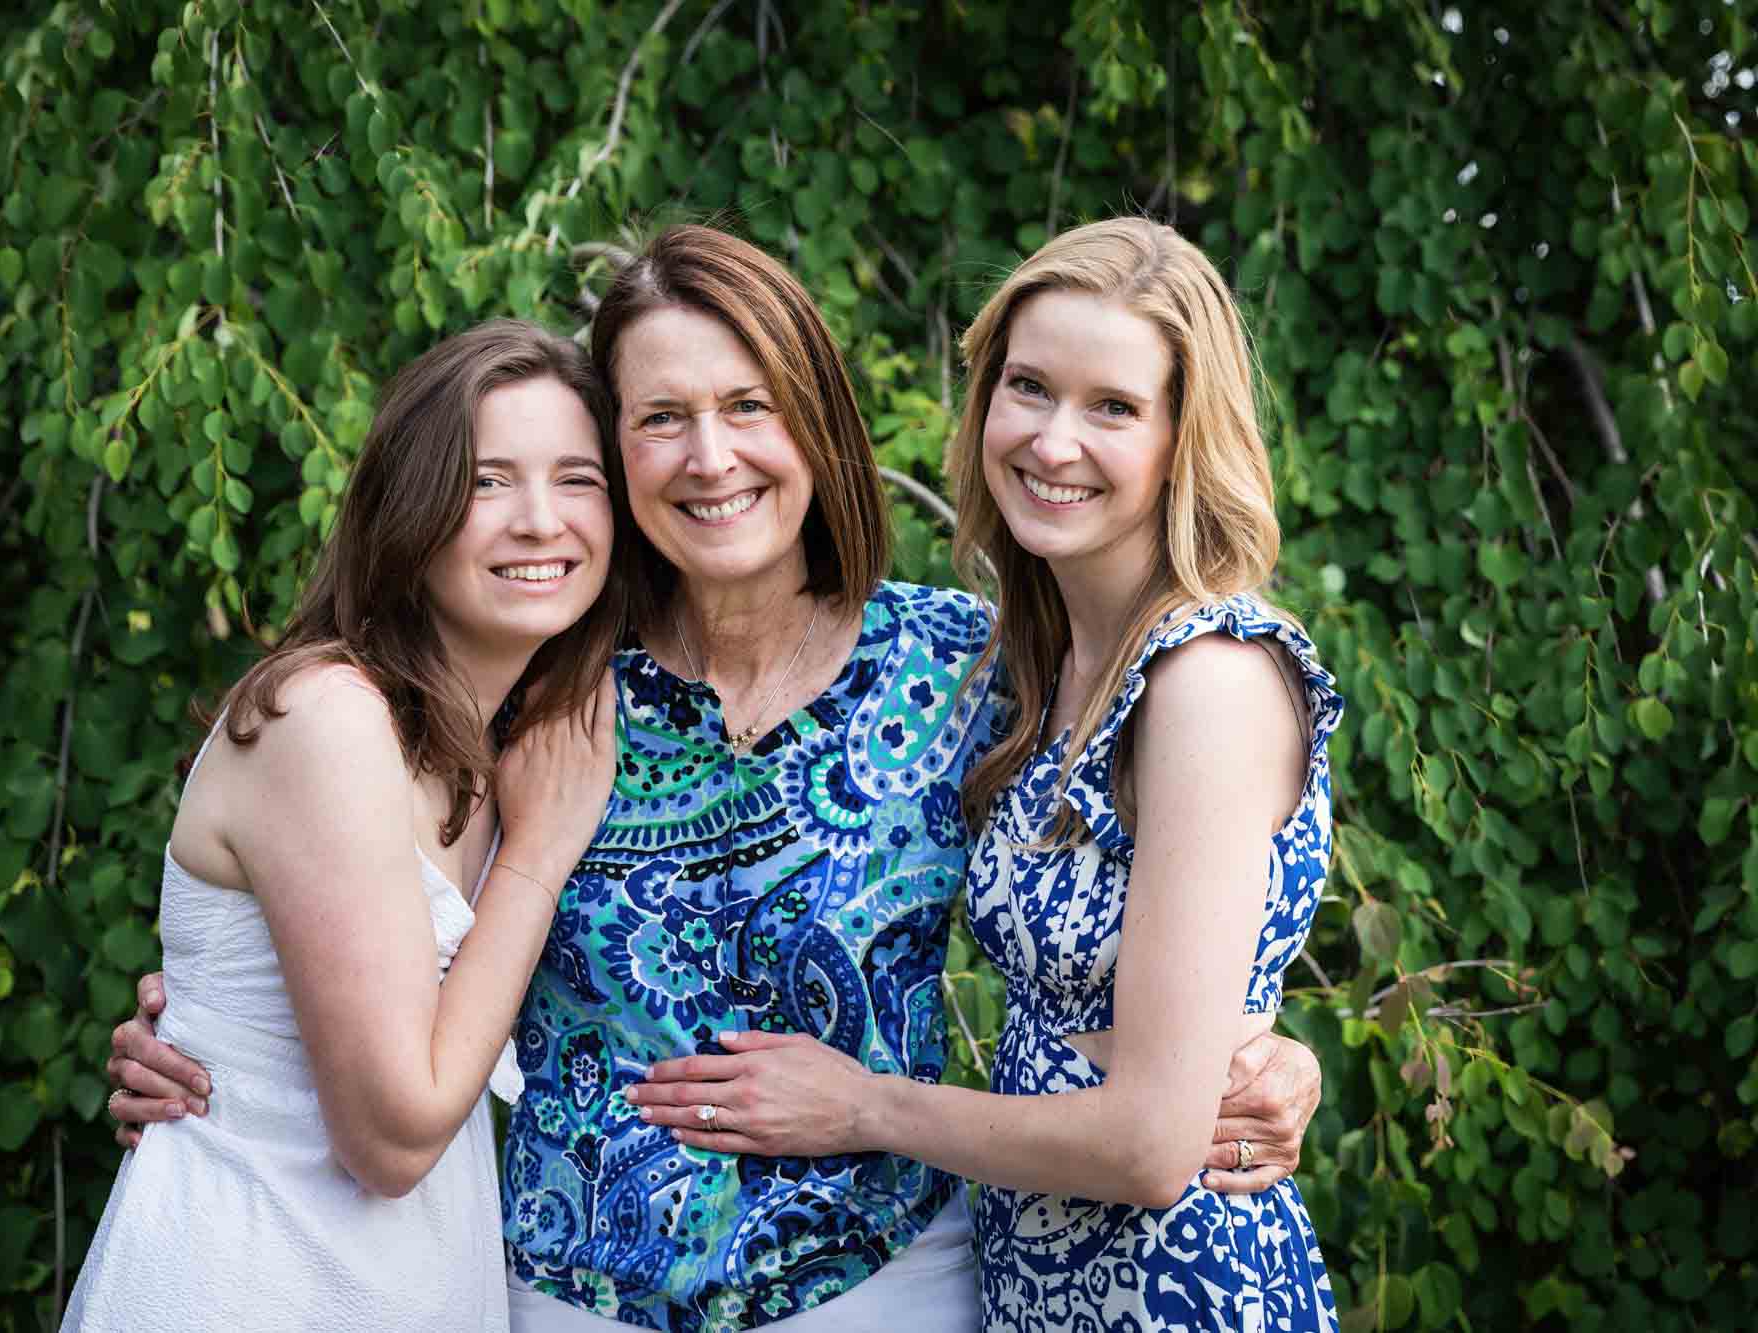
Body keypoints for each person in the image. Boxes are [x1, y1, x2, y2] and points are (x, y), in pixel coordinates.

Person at [105, 226, 1327, 1330]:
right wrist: (210, 1031)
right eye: (658, 418)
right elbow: (363, 920)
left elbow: (1149, 909)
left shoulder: (966, 669)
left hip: (887, 1286)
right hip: (564, 1293)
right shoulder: (543, 680)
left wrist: (1272, 1054)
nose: (710, 456)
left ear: (815, 425)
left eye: (750, 405)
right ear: (614, 453)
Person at [625, 218, 1343, 1330]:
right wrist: (1267, 1052)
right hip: (1038, 1285)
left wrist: (862, 1105)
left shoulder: (1206, 675)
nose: (1053, 441)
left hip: (1174, 1288)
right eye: (1027, 388)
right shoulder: (1032, 668)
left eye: (1112, 407)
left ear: (1180, 437)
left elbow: (1153, 1146)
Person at [65, 321, 623, 1332]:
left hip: (407, 1284)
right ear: (410, 510)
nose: (541, 520)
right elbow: (391, 1136)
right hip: (248, 1282)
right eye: (488, 481)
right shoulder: (326, 716)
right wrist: (535, 858)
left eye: (577, 479)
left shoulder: (522, 742)